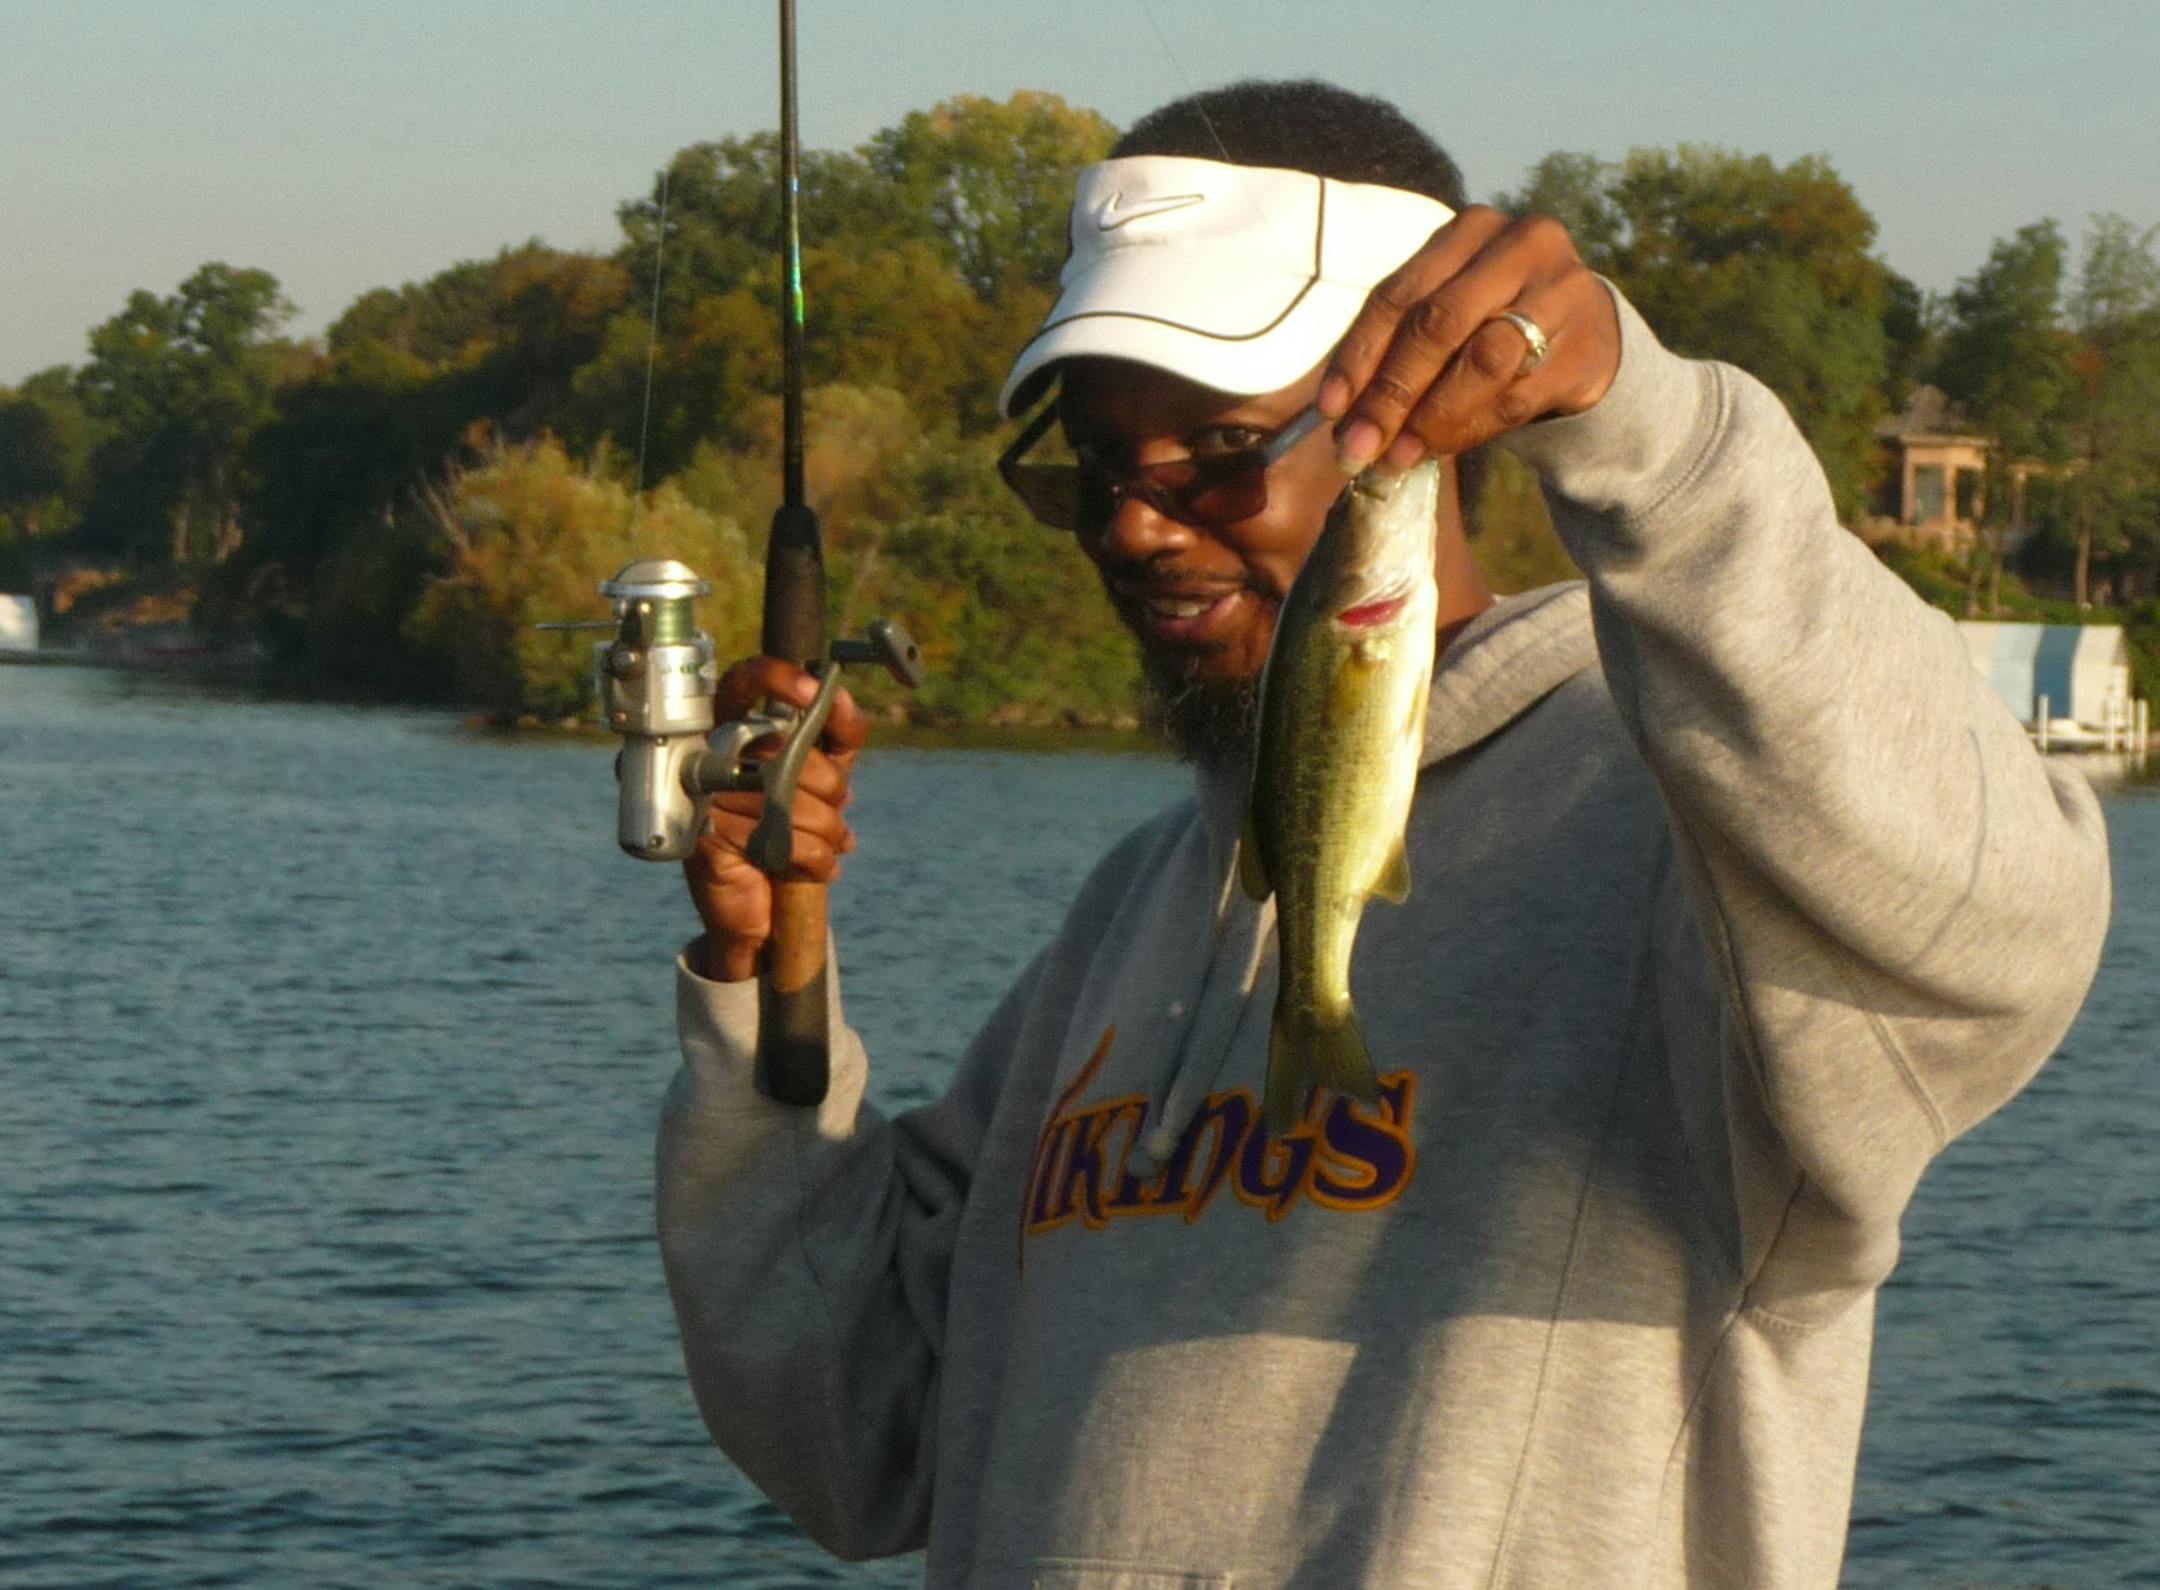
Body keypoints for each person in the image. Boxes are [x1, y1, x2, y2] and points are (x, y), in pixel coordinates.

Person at [656, 80, 2111, 1587]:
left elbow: (1995, 926)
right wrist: (769, 991)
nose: (1135, 527)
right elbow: (854, 1428)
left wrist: (1656, 436)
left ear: (1413, 422)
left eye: (1217, 450)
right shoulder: (1130, 912)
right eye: (1094, 469)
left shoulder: (1686, 829)